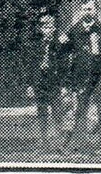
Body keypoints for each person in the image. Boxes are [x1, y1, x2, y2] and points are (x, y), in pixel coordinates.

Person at [64, 0, 101, 155]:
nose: (87, 11)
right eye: (84, 9)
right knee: (80, 109)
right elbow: (64, 51)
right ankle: (80, 144)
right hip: (81, 76)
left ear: (95, 11)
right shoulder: (74, 30)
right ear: (81, 11)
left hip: (99, 75)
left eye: (90, 9)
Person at [26, 10, 70, 153]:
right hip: (39, 83)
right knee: (42, 112)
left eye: (49, 25)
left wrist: (64, 85)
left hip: (54, 83)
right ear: (40, 28)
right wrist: (29, 85)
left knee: (57, 113)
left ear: (54, 27)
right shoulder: (35, 45)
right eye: (44, 25)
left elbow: (65, 66)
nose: (47, 28)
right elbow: (30, 66)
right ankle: (43, 142)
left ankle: (59, 145)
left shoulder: (60, 44)